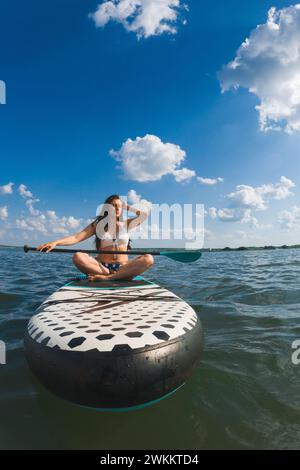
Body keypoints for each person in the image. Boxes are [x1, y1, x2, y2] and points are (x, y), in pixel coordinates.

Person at [36, 194, 153, 281]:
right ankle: (111, 275)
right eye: (113, 206)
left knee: (148, 259)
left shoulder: (127, 224)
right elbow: (76, 238)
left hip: (124, 267)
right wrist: (55, 243)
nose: (117, 208)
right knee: (78, 256)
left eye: (119, 206)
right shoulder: (97, 225)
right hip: (101, 267)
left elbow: (144, 215)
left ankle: (109, 278)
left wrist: (126, 206)